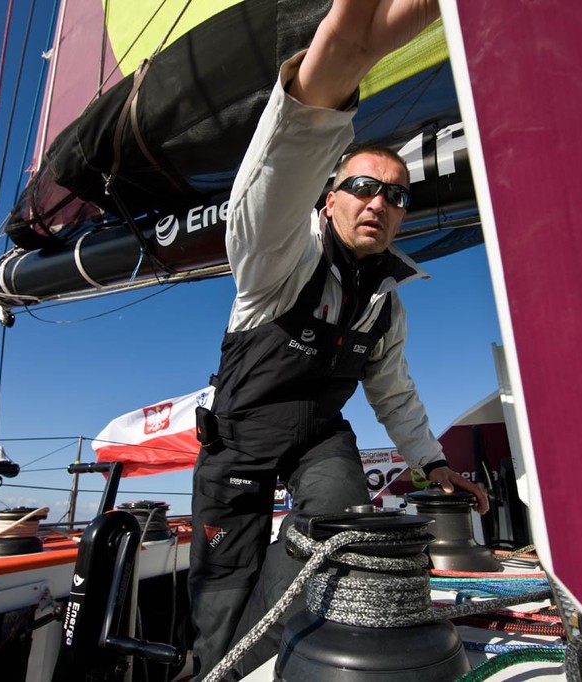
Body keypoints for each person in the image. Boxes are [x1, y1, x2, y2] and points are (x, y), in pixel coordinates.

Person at [188, 0, 489, 678]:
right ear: (330, 199)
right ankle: (217, 671)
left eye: (396, 196)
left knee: (342, 527)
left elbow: (393, 391)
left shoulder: (387, 306)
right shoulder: (278, 263)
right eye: (361, 186)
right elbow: (268, 195)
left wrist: (433, 464)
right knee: (221, 590)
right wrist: (324, 92)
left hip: (320, 437)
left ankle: (286, 656)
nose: (379, 202)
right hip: (239, 439)